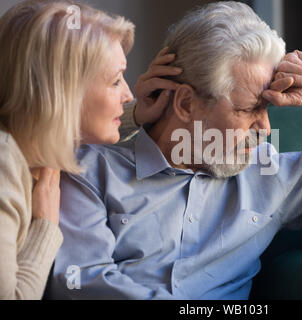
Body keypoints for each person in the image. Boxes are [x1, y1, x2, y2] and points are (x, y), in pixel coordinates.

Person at [48, 1, 302, 299]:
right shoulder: (91, 170)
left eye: (267, 109)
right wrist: (132, 117)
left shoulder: (272, 176)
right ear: (184, 104)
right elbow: (82, 281)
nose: (265, 128)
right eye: (250, 109)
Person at [0, 0, 177, 299]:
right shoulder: (5, 167)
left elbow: (63, 125)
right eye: (115, 80)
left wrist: (136, 114)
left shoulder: (28, 146)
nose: (128, 93)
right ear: (65, 92)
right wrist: (45, 226)